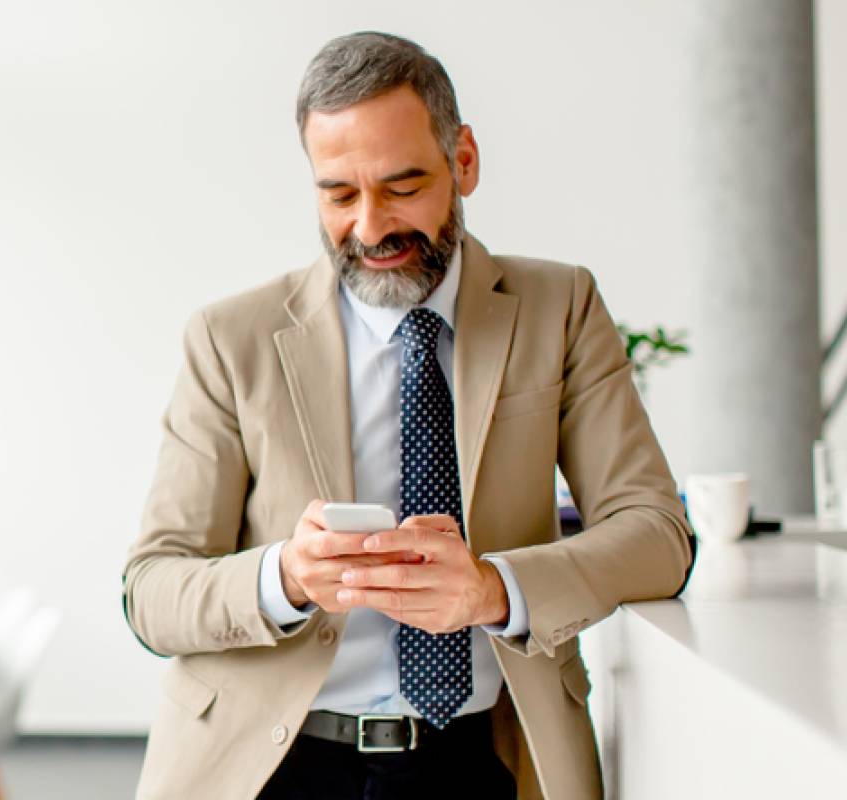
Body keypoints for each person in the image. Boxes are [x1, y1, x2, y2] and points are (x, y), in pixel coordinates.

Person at [120, 31, 692, 800]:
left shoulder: (560, 308)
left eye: (402, 185)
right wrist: (283, 577)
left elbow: (656, 533)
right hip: (271, 768)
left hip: (482, 761)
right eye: (339, 194)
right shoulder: (232, 340)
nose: (370, 227)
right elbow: (152, 591)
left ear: (464, 163)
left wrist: (494, 590)